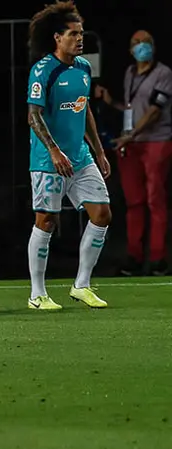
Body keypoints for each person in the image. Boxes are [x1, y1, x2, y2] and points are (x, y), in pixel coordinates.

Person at [26, 1, 112, 310]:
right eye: (73, 34)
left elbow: (84, 107)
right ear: (57, 38)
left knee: (102, 214)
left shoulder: (84, 67)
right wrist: (53, 150)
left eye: (81, 33)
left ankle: (82, 285)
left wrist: (99, 151)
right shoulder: (43, 70)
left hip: (80, 156)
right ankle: (37, 294)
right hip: (48, 160)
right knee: (47, 220)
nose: (80, 39)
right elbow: (33, 115)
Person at [94, 30, 172, 277]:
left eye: (146, 42)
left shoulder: (164, 74)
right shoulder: (129, 74)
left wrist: (131, 134)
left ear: (154, 46)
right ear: (130, 50)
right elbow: (132, 110)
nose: (142, 46)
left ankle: (158, 258)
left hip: (156, 141)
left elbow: (154, 111)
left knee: (154, 200)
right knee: (134, 202)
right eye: (136, 43)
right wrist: (111, 103)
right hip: (132, 143)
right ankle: (134, 257)